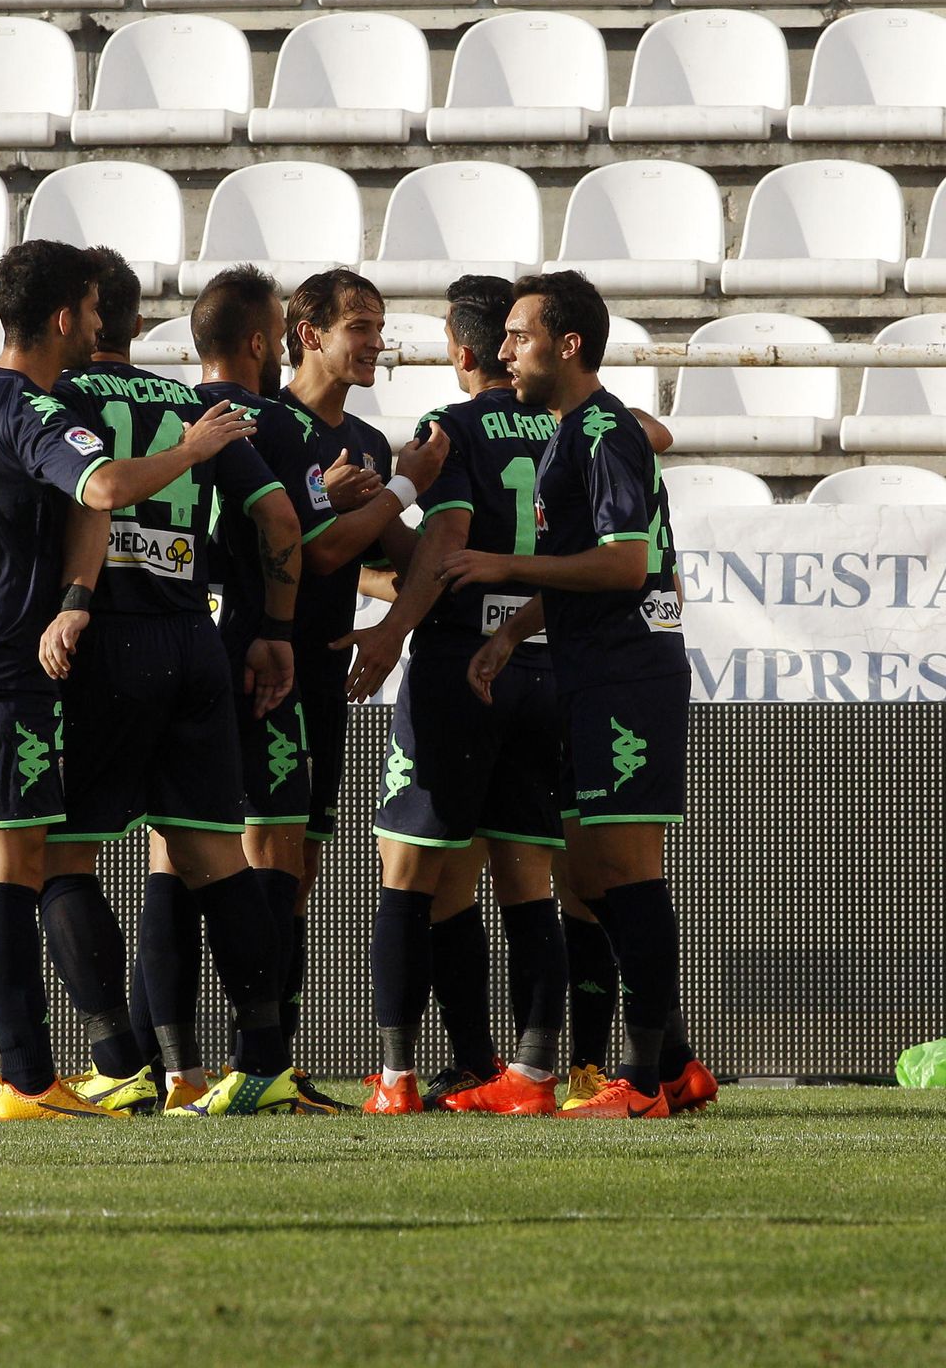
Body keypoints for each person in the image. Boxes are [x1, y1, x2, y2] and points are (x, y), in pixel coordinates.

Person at [0, 239, 258, 1121]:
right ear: (60, 317)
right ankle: (28, 1078)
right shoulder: (38, 410)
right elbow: (108, 481)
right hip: (4, 671)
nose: (97, 323)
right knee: (14, 867)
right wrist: (193, 447)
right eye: (88, 309)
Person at [38, 248, 330, 1117]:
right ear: (137, 321)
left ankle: (119, 1057)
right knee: (213, 858)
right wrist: (274, 631)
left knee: (59, 857)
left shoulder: (59, 401)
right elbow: (278, 515)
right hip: (194, 641)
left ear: (90, 317)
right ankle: (266, 1057)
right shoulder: (188, 403)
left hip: (101, 641)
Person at [445, 270, 715, 1118]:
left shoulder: (604, 432)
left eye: (519, 335)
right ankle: (673, 1066)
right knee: (597, 872)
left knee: (625, 870)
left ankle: (643, 1082)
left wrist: (503, 566)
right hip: (592, 671)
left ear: (568, 344)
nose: (503, 350)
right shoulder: (570, 433)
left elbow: (626, 565)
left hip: (629, 675)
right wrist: (513, 630)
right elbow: (586, 572)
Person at [336, 274, 569, 1115]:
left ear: (463, 350)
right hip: (542, 662)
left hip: (455, 665)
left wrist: (391, 629)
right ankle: (524, 1072)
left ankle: (395, 1075)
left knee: (407, 872)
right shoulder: (570, 421)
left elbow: (447, 542)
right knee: (521, 878)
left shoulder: (454, 427)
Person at [271, 270, 448, 1093]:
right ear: (307, 333)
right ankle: (226, 1060)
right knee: (251, 864)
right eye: (361, 327)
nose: (378, 342)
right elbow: (313, 549)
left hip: (323, 678)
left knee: (300, 866)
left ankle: (278, 1059)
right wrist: (400, 489)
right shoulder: (266, 425)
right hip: (256, 669)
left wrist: (403, 614)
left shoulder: (372, 445)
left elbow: (384, 559)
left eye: (379, 327)